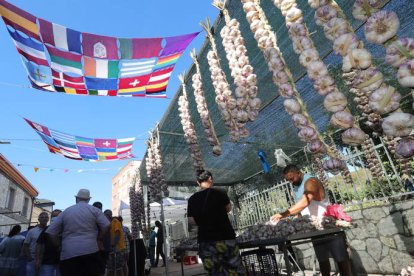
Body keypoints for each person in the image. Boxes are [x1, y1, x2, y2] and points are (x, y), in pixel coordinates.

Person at [271, 164, 352, 276]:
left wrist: (284, 214)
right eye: (288, 180)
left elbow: (306, 201)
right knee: (322, 260)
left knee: (341, 259)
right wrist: (297, 218)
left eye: (292, 178)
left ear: (298, 173)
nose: (291, 182)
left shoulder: (311, 181)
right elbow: (302, 207)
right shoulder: (296, 187)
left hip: (329, 227)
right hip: (314, 228)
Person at [187, 170, 245, 275]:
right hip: (225, 238)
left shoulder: (192, 199)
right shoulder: (220, 192)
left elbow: (191, 221)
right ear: (210, 179)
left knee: (214, 272)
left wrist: (204, 221)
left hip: (206, 241)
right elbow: (228, 208)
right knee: (234, 269)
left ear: (197, 182)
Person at [46, 189, 110, 276]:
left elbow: (51, 232)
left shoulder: (66, 211)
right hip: (90, 250)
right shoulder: (94, 210)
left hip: (68, 253)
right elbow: (106, 226)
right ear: (88, 200)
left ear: (77, 198)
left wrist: (58, 246)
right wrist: (99, 239)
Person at [36, 210, 62, 276]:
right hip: (47, 261)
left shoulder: (66, 228)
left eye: (57, 216)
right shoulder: (47, 229)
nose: (55, 217)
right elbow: (39, 244)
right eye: (53, 216)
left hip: (62, 261)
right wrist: (38, 259)